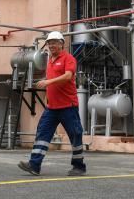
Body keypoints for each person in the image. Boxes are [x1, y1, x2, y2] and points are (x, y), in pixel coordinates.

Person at [18, 30, 86, 177]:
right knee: (42, 133)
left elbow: (68, 76)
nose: (52, 45)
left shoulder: (68, 58)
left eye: (55, 42)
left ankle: (79, 167)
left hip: (68, 106)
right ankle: (34, 165)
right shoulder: (50, 60)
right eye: (49, 43)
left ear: (62, 44)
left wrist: (47, 82)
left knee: (75, 134)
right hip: (52, 108)